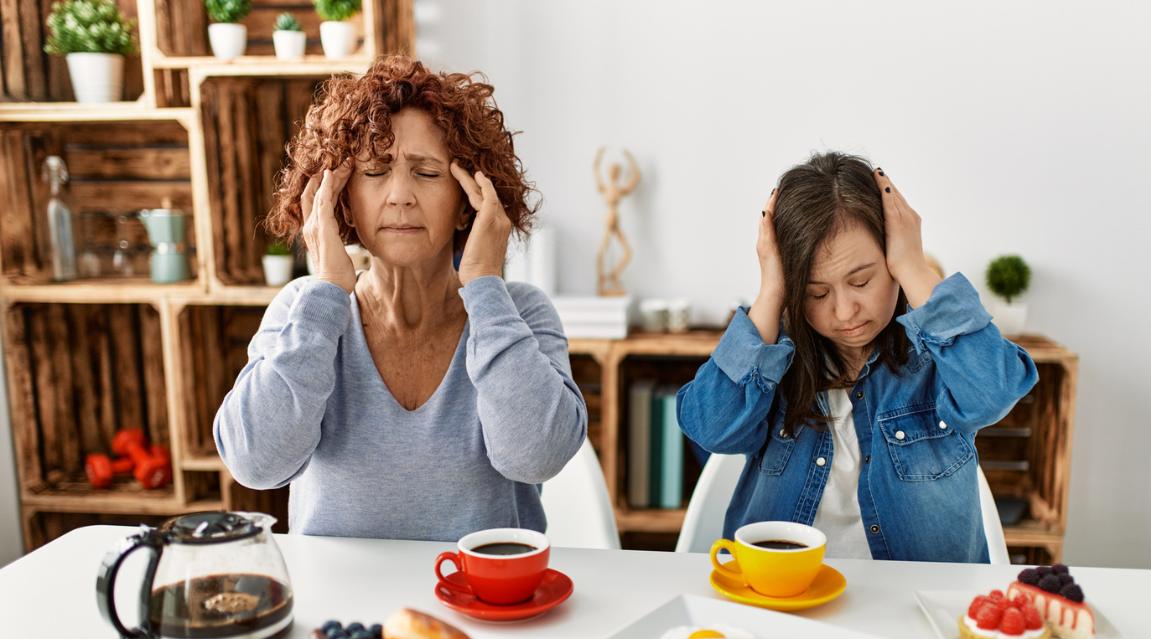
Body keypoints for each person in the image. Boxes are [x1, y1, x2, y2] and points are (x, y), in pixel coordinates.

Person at [214, 56, 588, 541]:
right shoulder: (302, 312)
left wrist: (484, 285)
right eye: (375, 171)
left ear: (466, 204)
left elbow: (536, 456)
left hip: (484, 607)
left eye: (427, 173)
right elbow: (256, 463)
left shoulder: (520, 313)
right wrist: (326, 289)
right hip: (340, 608)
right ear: (341, 199)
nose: (400, 196)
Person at [677, 151, 1037, 562]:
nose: (845, 311)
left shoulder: (938, 362)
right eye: (817, 292)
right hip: (780, 600)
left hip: (913, 609)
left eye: (862, 281)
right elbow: (709, 428)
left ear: (893, 262)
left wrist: (915, 266)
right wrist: (772, 292)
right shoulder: (775, 367)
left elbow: (994, 391)